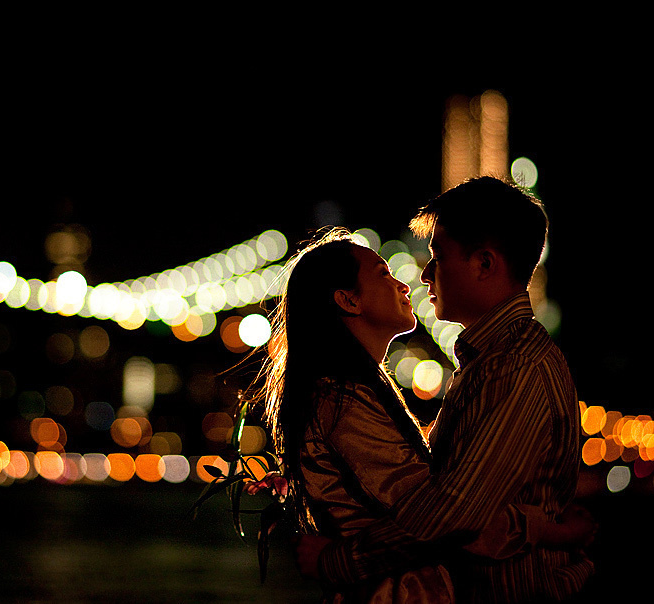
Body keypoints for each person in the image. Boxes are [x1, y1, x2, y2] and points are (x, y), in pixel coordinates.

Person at [244, 225, 593, 602]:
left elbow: (426, 503)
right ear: (348, 300)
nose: (408, 283)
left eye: (437, 258)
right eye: (384, 274)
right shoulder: (340, 399)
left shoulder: (355, 392)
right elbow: (444, 517)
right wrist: (557, 531)